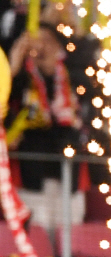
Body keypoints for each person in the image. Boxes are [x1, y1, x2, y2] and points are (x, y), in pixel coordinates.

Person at [6, 24, 84, 232]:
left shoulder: (75, 75)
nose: (42, 48)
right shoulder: (22, 79)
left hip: (67, 169)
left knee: (70, 229)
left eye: (47, 42)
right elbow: (5, 99)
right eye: (36, 43)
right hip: (33, 169)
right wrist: (15, 61)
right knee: (36, 228)